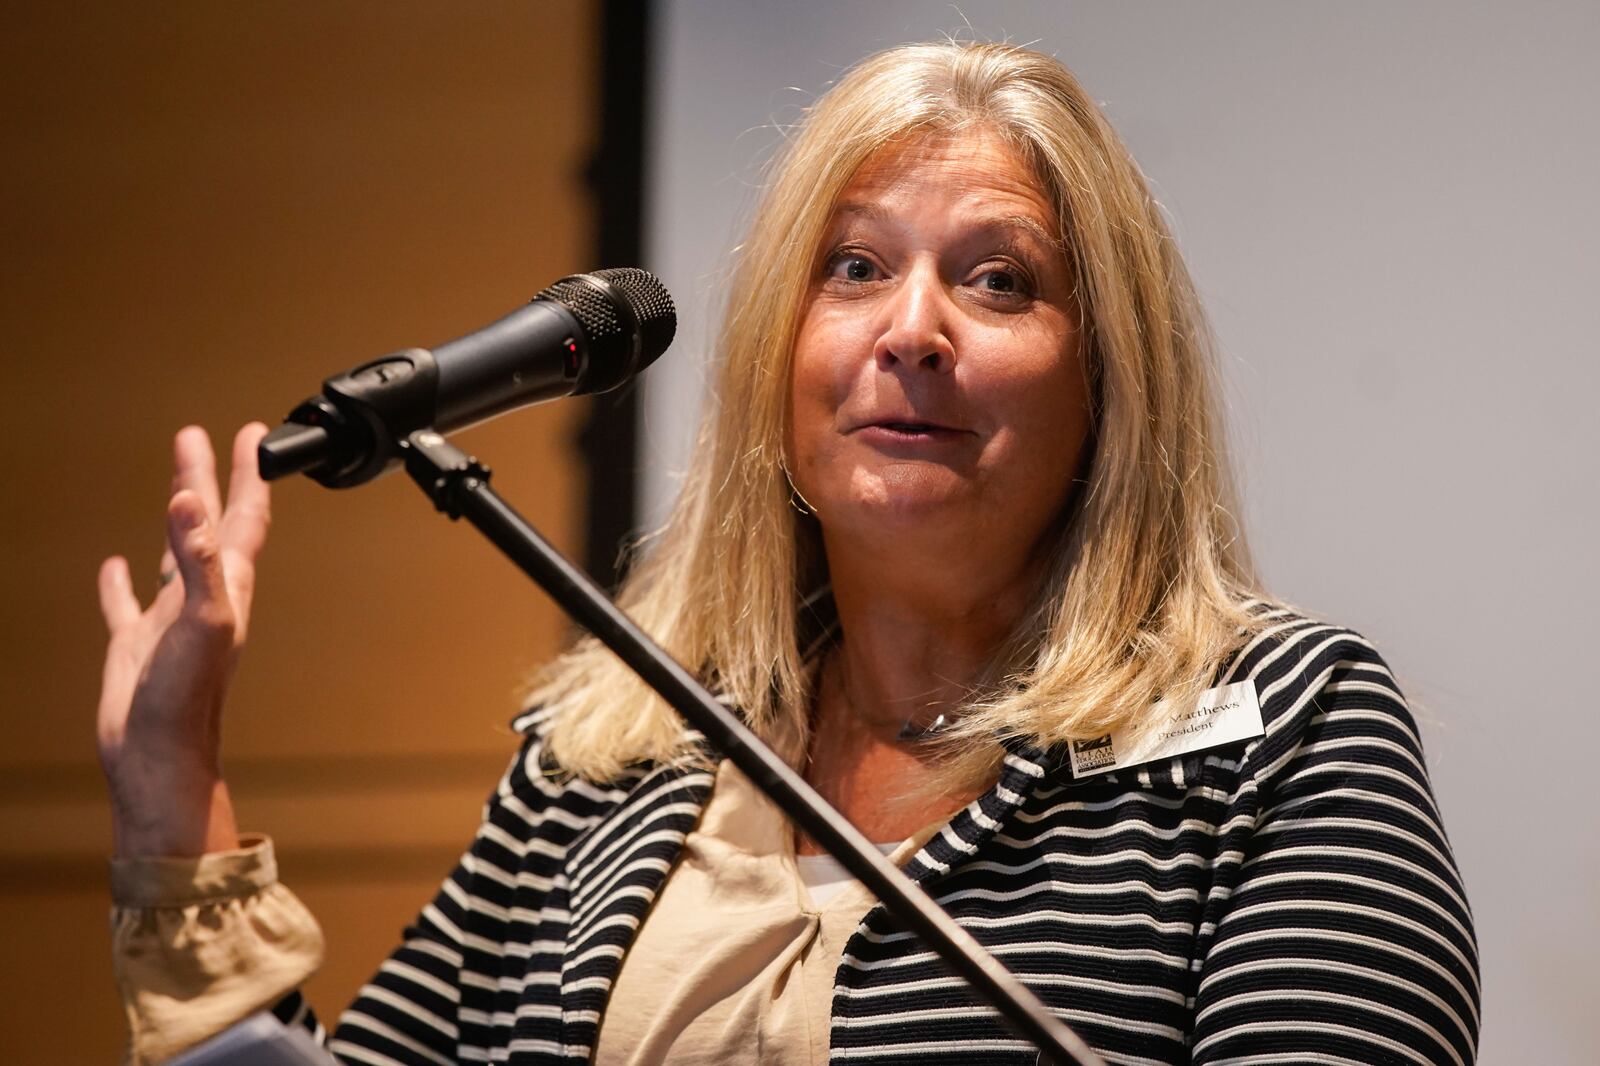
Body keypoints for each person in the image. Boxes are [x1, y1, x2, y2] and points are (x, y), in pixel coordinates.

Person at [98, 42, 1480, 1066]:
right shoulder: (601, 763)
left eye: (998, 278)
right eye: (856, 267)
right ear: (779, 362)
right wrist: (174, 793)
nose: (914, 328)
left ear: (1109, 382)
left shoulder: (1283, 729)